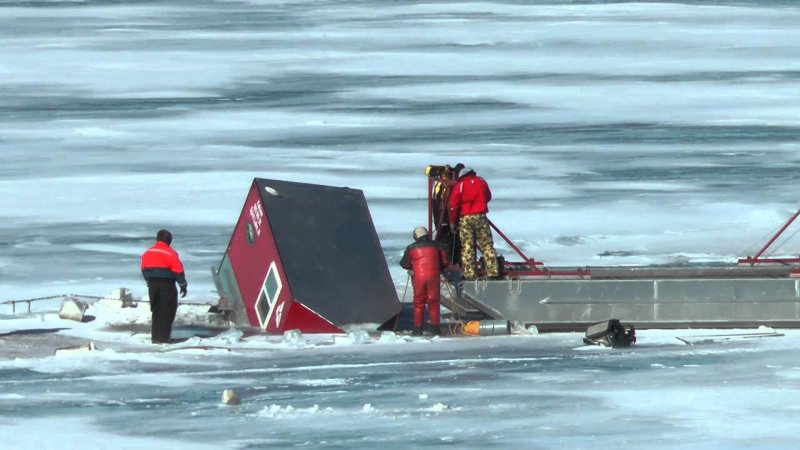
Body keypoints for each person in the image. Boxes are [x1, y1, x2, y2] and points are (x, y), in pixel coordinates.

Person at [448, 167, 500, 280]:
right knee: (487, 245)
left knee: (467, 246)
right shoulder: (481, 182)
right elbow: (488, 196)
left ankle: (470, 274)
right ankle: (493, 272)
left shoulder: (460, 185)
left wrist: (452, 222)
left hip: (465, 218)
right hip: (481, 216)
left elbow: (453, 206)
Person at [140, 229, 187, 344]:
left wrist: (149, 281)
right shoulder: (170, 253)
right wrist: (182, 285)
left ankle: (155, 337)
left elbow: (144, 269)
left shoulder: (148, 252)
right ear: (169, 241)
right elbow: (178, 270)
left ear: (157, 239)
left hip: (153, 285)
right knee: (167, 310)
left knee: (156, 310)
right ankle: (164, 338)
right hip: (167, 285)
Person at [400, 226, 448, 336]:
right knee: (434, 302)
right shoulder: (436, 246)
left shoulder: (411, 248)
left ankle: (417, 330)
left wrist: (412, 267)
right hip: (433, 277)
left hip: (419, 278)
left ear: (416, 236)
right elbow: (445, 261)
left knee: (418, 302)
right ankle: (435, 329)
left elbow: (404, 264)